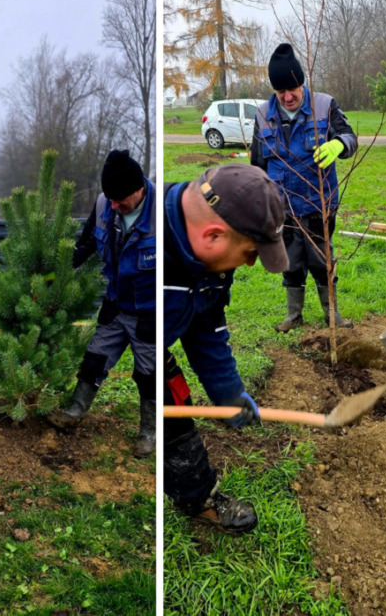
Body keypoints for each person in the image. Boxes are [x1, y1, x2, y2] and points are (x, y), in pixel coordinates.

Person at [163, 163, 289, 534]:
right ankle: (195, 495)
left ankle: (195, 494)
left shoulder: (212, 264)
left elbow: (206, 328)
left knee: (172, 400)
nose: (250, 263)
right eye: (250, 252)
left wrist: (229, 395)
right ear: (213, 235)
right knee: (168, 411)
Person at [48, 150, 156, 458]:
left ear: (139, 189)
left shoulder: (161, 213)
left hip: (149, 313)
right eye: (110, 199)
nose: (114, 206)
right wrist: (54, 274)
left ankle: (149, 431)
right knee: (94, 359)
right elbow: (85, 245)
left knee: (148, 375)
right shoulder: (104, 205)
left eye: (120, 200)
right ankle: (74, 410)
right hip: (116, 305)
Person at [251, 43, 358, 332]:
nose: (288, 97)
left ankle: (332, 314)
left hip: (319, 204)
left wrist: (338, 144)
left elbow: (350, 137)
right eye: (280, 91)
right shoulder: (262, 115)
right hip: (283, 208)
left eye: (292, 89)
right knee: (290, 263)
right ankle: (293, 316)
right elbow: (257, 166)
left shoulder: (324, 105)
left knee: (322, 261)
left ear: (301, 83)